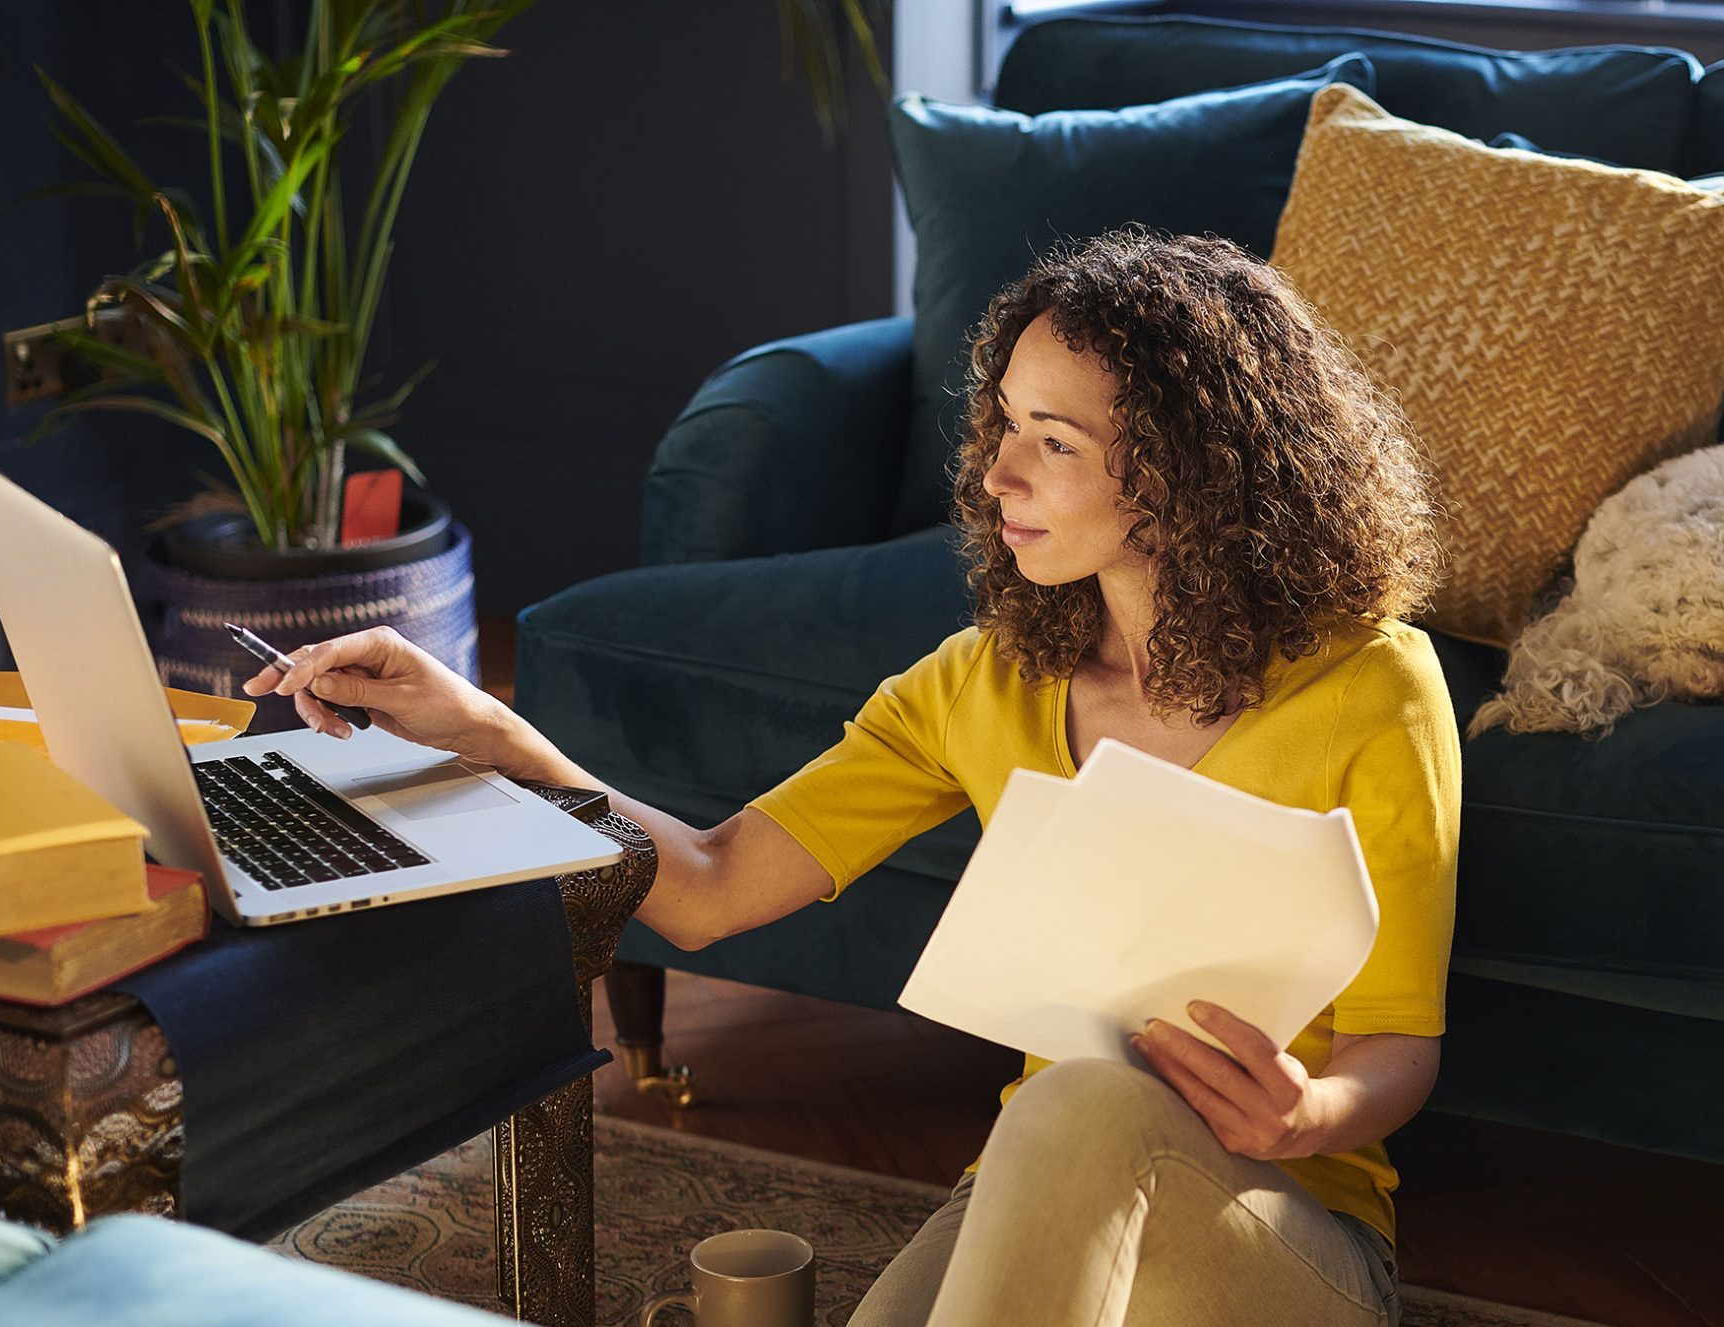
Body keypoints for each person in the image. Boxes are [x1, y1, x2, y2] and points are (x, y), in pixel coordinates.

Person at [244, 224, 1461, 1327]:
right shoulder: (981, 682)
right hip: (1034, 1182)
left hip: (1286, 1231)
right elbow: (711, 888)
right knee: (1052, 1133)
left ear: (1181, 477)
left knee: (1092, 1097)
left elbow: (1397, 1045)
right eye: (1004, 428)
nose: (996, 478)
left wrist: (1308, 1115)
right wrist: (487, 732)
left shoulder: (1371, 690)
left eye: (1053, 443)